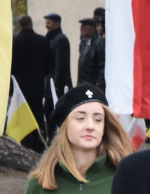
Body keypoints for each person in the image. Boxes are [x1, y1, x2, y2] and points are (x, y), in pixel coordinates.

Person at [11, 15, 52, 152]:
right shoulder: (42, 41)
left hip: (20, 87)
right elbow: (49, 65)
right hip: (37, 85)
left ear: (19, 26)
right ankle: (39, 144)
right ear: (31, 24)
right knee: (38, 114)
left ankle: (25, 144)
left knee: (22, 116)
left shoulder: (14, 42)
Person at [43, 13, 73, 141]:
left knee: (55, 112)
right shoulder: (52, 39)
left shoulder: (61, 40)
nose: (46, 24)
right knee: (48, 111)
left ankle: (56, 140)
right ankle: (52, 139)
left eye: (49, 22)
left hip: (57, 87)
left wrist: (56, 83)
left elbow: (60, 63)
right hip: (50, 85)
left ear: (57, 24)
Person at [77, 17, 106, 90]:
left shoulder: (99, 42)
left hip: (93, 85)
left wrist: (100, 85)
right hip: (82, 84)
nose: (82, 29)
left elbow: (102, 65)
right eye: (81, 27)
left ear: (92, 29)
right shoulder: (84, 42)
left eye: (84, 27)